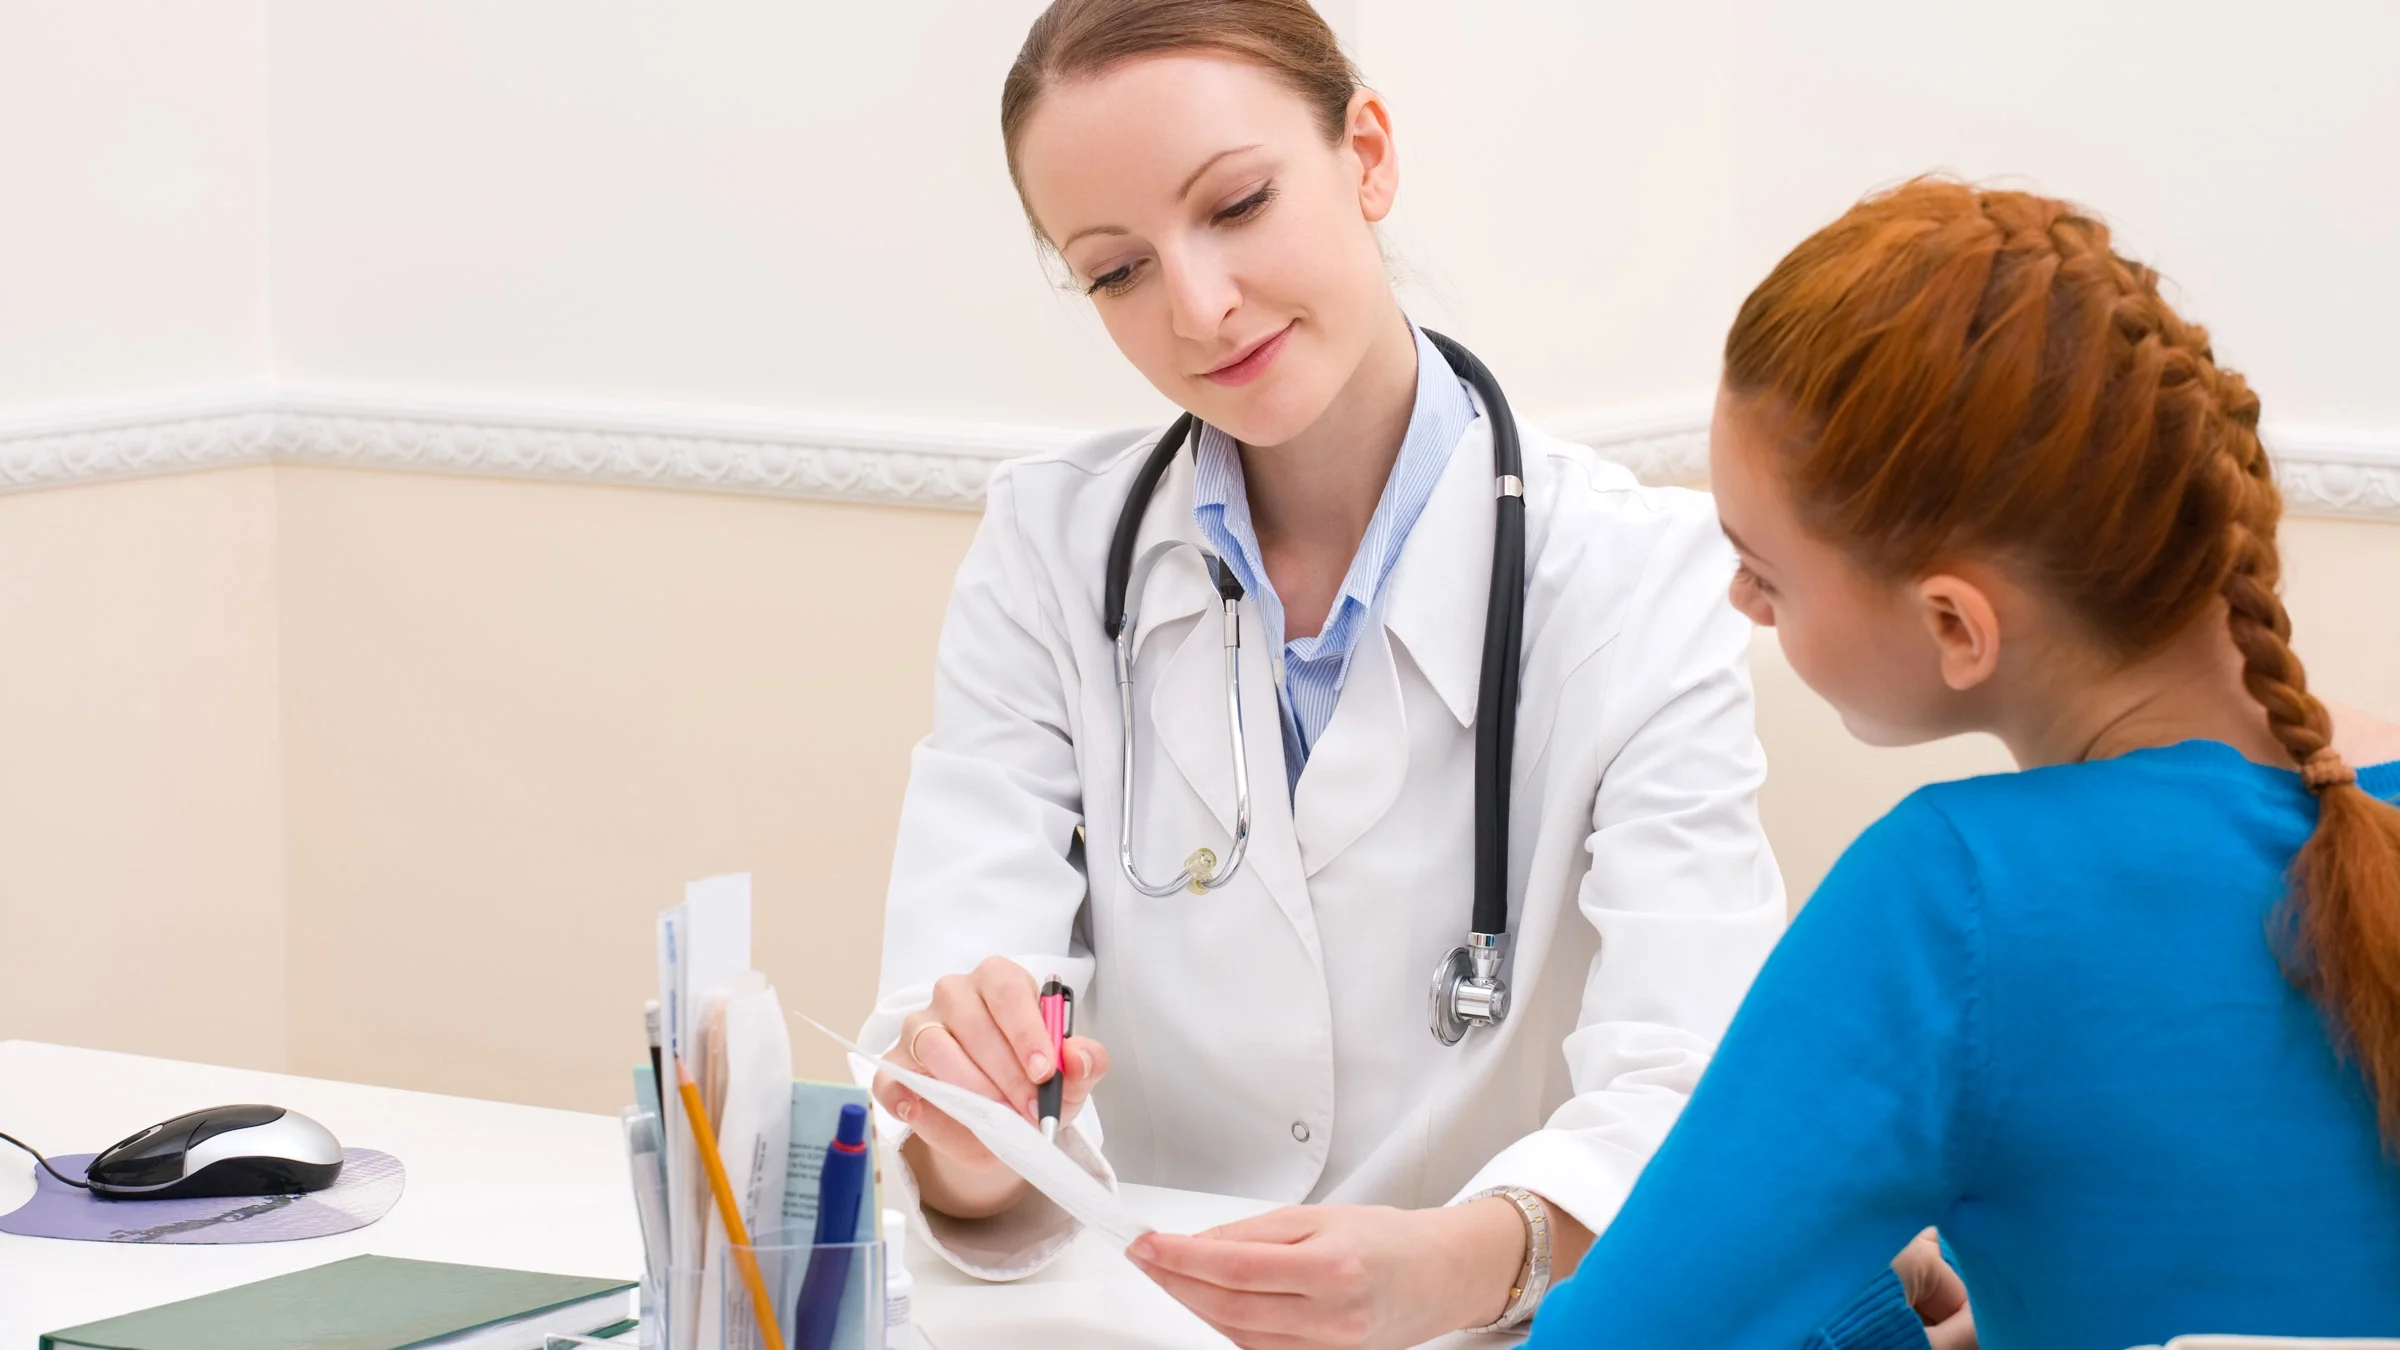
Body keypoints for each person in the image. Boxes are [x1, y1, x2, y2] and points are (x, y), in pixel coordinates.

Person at [860, 1, 1950, 1344]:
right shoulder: (1047, 556)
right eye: (1117, 270)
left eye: (1240, 204)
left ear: (1366, 154)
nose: (1198, 304)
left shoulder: (1633, 576)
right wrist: (975, 1130)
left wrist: (1472, 1256)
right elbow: (954, 1039)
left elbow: (1693, 1074)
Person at [1527, 178, 2400, 1348]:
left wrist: (1854, 1309)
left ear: (1955, 626)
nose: (1738, 600)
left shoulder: (1955, 899)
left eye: (1764, 572)